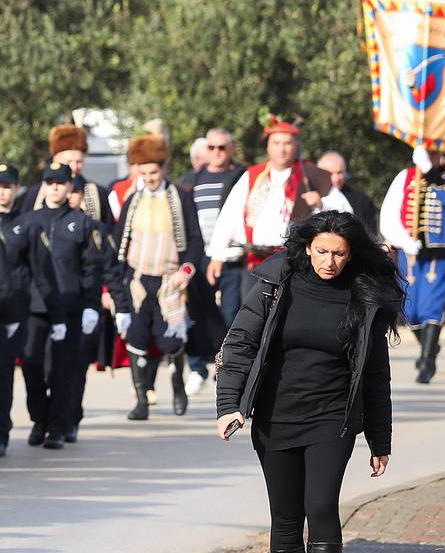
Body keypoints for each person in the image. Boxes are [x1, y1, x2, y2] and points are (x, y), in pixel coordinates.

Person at [215, 211, 397, 553]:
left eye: (338, 254)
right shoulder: (277, 284)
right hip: (276, 414)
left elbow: (375, 372)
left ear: (351, 254)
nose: (329, 262)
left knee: (320, 505)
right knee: (285, 515)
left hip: (332, 417)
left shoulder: (364, 294)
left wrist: (380, 438)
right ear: (306, 247)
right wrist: (228, 405)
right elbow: (240, 343)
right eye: (321, 252)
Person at [108, 135, 207, 421]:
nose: (149, 178)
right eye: (143, 172)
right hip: (138, 281)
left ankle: (178, 385)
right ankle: (141, 399)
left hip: (170, 281)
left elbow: (195, 240)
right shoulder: (133, 200)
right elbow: (118, 244)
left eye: (154, 172)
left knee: (170, 341)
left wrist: (186, 271)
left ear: (163, 169)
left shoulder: (180, 196)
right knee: (136, 337)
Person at [16, 163, 105, 449]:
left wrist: (91, 305)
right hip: (34, 306)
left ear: (70, 187)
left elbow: (92, 268)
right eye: (50, 182)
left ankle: (57, 426)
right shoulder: (29, 220)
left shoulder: (82, 223)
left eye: (60, 182)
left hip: (69, 308)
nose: (55, 187)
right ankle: (39, 419)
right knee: (31, 366)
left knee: (62, 371)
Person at [206, 116, 344, 275]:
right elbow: (230, 214)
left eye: (287, 143)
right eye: (276, 143)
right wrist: (217, 256)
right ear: (268, 146)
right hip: (256, 261)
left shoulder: (313, 175)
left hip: (296, 262)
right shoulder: (253, 176)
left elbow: (343, 210)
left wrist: (321, 205)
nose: (282, 149)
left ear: (296, 146)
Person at [380, 145, 445, 383]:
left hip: (440, 252)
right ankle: (429, 347)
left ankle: (427, 361)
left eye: (434, 153)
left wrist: (430, 169)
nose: (429, 157)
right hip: (410, 251)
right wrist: (403, 241)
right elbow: (390, 212)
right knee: (410, 309)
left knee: (431, 305)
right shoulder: (407, 176)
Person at [178, 128, 242, 391]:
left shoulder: (241, 177)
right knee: (195, 311)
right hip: (200, 255)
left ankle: (225, 366)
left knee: (231, 313)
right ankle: (196, 366)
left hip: (231, 256)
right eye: (211, 148)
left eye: (222, 148)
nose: (216, 153)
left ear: (231, 149)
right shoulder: (191, 180)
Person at [0, 163, 32, 457]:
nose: (1, 192)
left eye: (6, 187)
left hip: (11, 311)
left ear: (16, 188)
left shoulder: (23, 224)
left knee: (0, 375)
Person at [317, 151, 377, 234]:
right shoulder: (306, 195)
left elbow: (371, 234)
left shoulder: (362, 201)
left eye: (339, 173)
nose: (336, 179)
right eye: (330, 173)